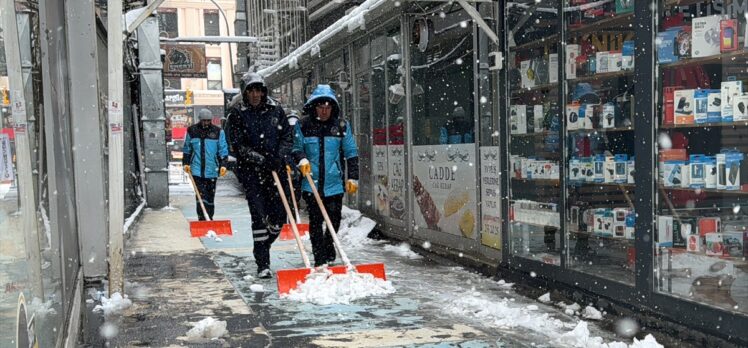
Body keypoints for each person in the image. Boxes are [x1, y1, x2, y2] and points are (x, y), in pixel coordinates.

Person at [226, 72, 293, 278]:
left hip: (276, 171)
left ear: (264, 92)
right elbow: (238, 146)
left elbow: (287, 137)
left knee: (279, 216)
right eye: (251, 91)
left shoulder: (275, 111)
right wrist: (261, 159)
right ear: (245, 93)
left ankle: (264, 244)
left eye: (259, 90)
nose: (255, 95)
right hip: (252, 173)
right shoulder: (237, 114)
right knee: (258, 216)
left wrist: (278, 156)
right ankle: (262, 262)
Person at [292, 85, 359, 267]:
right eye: (320, 107)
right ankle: (319, 259)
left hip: (334, 183)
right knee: (315, 223)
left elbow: (351, 152)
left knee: (334, 220)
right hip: (311, 184)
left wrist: (353, 177)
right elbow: (296, 148)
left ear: (333, 108)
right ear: (314, 107)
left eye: (328, 107)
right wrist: (302, 159)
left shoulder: (341, 126)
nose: (324, 111)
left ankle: (329, 248)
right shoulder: (304, 125)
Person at [182, 108, 229, 221]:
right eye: (204, 121)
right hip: (196, 170)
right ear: (200, 120)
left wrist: (223, 164)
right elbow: (187, 149)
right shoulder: (192, 131)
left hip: (212, 169)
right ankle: (202, 218)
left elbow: (223, 149)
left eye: (208, 121)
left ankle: (209, 217)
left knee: (210, 196)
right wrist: (186, 163)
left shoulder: (218, 132)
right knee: (200, 196)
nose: (206, 123)